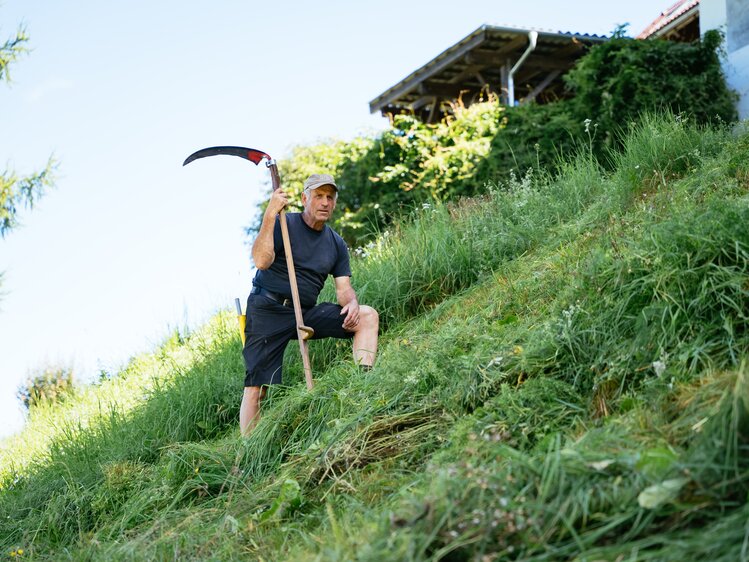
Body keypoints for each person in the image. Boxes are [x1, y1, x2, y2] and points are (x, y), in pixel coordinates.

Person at [239, 173, 379, 435]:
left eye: (330, 197)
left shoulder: (336, 244)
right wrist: (270, 214)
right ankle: (248, 450)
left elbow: (344, 289)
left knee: (368, 316)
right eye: (319, 196)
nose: (325, 202)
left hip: (304, 313)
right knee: (256, 388)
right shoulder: (283, 223)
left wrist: (352, 304)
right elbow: (261, 261)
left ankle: (364, 389)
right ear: (305, 199)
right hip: (267, 308)